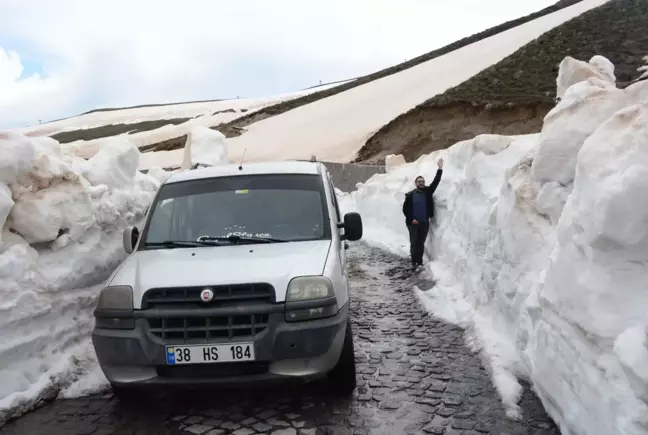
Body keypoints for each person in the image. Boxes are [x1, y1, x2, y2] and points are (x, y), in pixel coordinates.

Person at [402, 158, 444, 270]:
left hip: (424, 221)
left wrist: (440, 169)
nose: (421, 183)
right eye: (419, 181)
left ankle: (419, 262)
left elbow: (436, 181)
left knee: (421, 242)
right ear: (416, 183)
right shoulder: (410, 195)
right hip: (413, 223)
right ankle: (414, 262)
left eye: (422, 181)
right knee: (414, 242)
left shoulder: (428, 191)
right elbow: (405, 210)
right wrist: (412, 219)